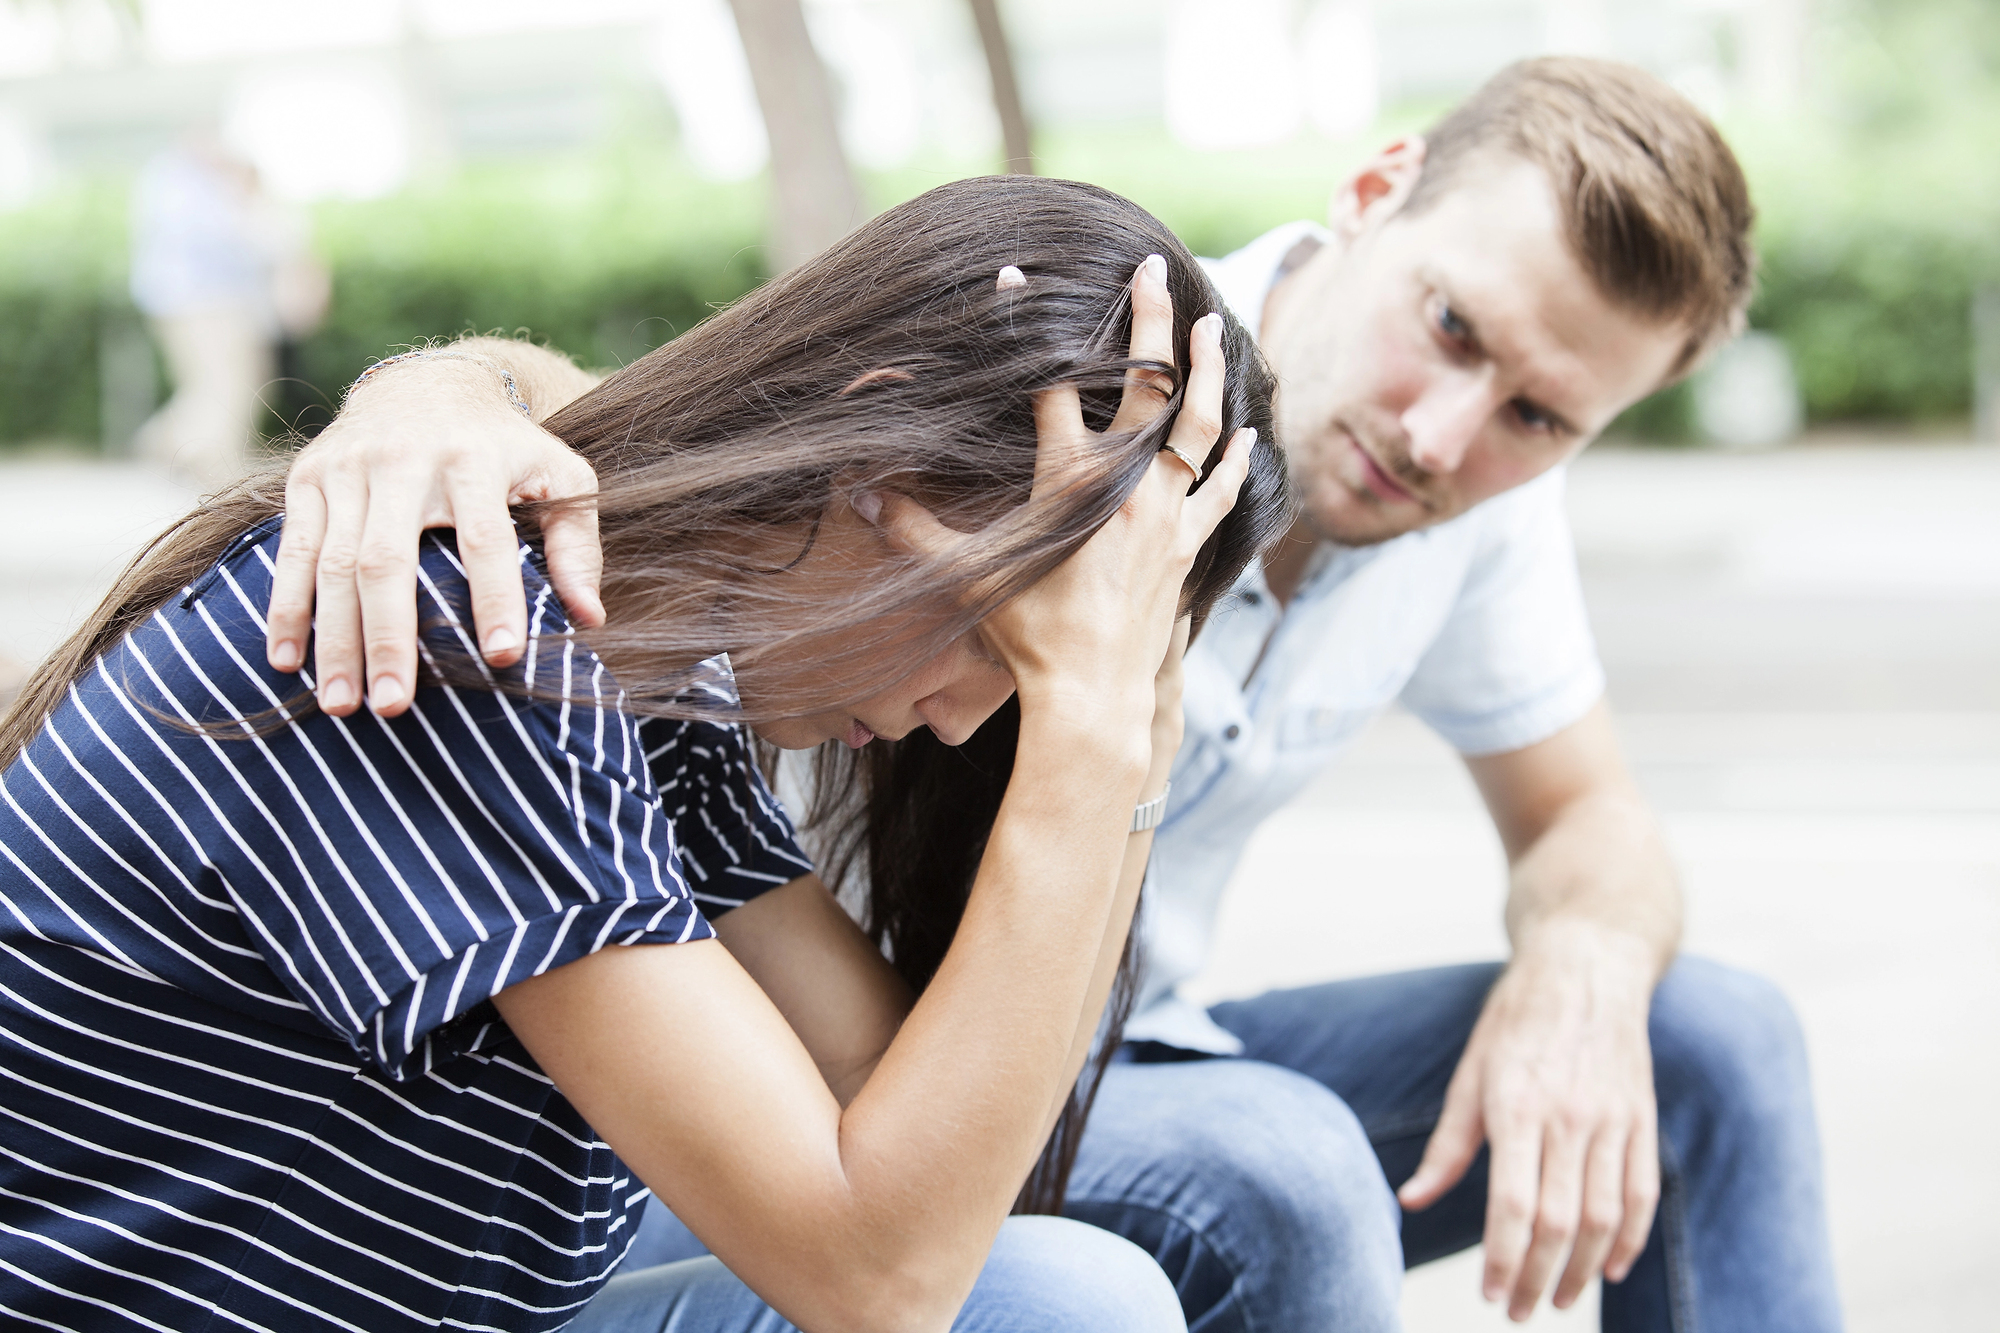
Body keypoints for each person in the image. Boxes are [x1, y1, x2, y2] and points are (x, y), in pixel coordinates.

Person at [261, 58, 1842, 1332]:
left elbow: (1591, 821)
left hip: (1122, 1047)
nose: (1447, 434)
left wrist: (1576, 958)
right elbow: (710, 440)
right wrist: (436, 389)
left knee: (1706, 1032)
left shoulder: (1479, 514)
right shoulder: (1087, 358)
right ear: (1375, 193)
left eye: (1541, 417)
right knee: (1282, 1175)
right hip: (774, 1060)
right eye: (1451, 328)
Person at [0, 176, 1290, 1331]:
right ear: (870, 457)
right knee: (1065, 1307)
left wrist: (1135, 720)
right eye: (1007, 643)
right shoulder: (480, 634)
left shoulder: (650, 657)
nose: (968, 722)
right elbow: (879, 1282)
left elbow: (894, 1098)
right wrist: (1091, 727)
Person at [129, 137, 330, 490]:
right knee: (225, 390)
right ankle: (206, 465)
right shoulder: (198, 202)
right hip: (211, 308)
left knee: (234, 388)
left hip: (238, 312)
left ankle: (175, 447)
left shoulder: (245, 209)